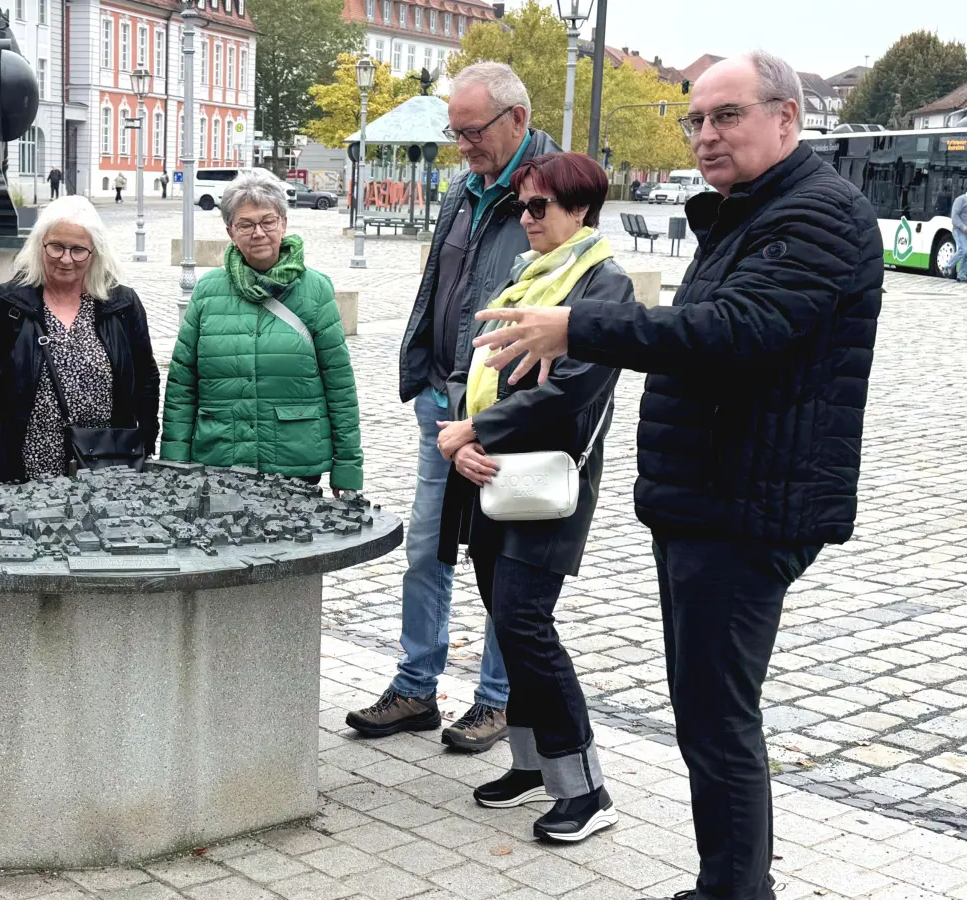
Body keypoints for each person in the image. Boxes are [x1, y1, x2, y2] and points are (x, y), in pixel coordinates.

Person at [471, 52, 882, 900]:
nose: (705, 135)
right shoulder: (747, 211)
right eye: (694, 119)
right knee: (707, 711)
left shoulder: (819, 213)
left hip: (750, 504)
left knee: (717, 717)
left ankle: (734, 888)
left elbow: (733, 331)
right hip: (708, 497)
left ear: (787, 118)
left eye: (726, 116)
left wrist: (578, 326)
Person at [346, 62, 560, 753]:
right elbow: (442, 280)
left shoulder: (553, 190)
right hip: (441, 399)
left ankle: (497, 699)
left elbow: (564, 299)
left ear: (517, 121)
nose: (462, 144)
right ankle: (415, 687)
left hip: (506, 409)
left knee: (503, 559)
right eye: (454, 131)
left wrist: (498, 411)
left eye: (472, 132)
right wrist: (424, 375)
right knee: (426, 550)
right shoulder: (464, 188)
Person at [436, 151, 631, 844]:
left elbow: (574, 389)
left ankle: (588, 789)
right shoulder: (527, 275)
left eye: (539, 206)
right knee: (506, 621)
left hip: (547, 481)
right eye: (522, 205)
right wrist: (462, 438)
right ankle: (531, 766)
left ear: (580, 209)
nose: (525, 218)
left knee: (527, 624)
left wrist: (475, 427)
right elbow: (475, 362)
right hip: (490, 472)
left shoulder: (604, 285)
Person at [160, 170, 362, 493]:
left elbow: (339, 385)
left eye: (267, 221)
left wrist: (348, 468)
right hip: (220, 460)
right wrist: (173, 465)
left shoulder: (316, 290)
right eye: (246, 224)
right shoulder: (207, 292)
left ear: (283, 223)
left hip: (294, 461)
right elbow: (182, 385)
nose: (258, 233)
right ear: (230, 232)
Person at [0, 195, 160, 483]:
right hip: (23, 466)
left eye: (78, 250)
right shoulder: (9, 303)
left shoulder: (121, 304)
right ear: (40, 245)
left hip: (105, 465)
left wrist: (143, 442)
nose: (66, 258)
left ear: (94, 252)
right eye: (56, 247)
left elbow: (146, 378)